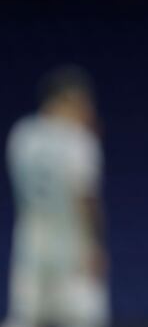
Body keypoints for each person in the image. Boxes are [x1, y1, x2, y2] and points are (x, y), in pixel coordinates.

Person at [3, 66, 109, 327]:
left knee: (26, 318)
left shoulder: (22, 135)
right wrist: (94, 244)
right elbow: (85, 198)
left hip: (30, 238)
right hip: (71, 242)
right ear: (65, 100)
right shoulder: (78, 140)